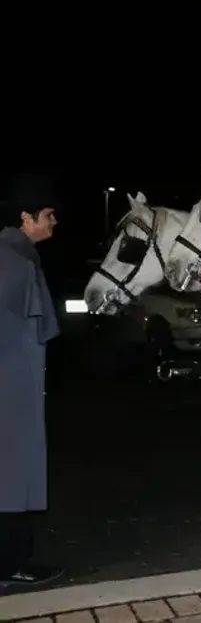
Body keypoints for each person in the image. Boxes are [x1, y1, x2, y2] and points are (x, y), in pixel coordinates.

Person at [0, 173, 63, 585]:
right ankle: (9, 566)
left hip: (15, 386)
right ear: (26, 218)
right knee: (11, 475)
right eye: (48, 214)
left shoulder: (17, 258)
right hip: (10, 393)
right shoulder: (14, 264)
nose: (54, 221)